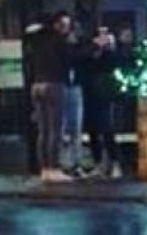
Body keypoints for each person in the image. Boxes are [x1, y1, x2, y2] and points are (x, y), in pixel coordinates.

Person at [26, 14, 67, 181]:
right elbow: (68, 58)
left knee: (43, 130)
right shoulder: (57, 40)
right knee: (55, 129)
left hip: (37, 85)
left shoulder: (36, 42)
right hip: (53, 84)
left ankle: (43, 168)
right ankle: (54, 167)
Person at [83, 25, 123, 178]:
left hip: (104, 93)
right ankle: (98, 162)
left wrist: (109, 49)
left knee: (106, 128)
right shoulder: (90, 51)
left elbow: (114, 63)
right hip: (90, 93)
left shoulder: (110, 53)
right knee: (92, 129)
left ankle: (114, 162)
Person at [55, 12, 87, 176]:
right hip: (62, 86)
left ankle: (76, 163)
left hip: (74, 86)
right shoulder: (59, 46)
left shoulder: (78, 46)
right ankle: (62, 163)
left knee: (76, 128)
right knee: (61, 127)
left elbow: (82, 57)